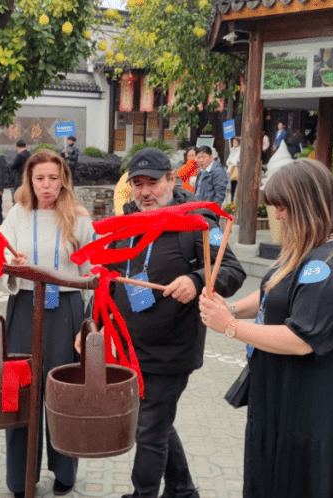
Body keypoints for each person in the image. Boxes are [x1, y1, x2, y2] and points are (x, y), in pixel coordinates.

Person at [198, 158, 333, 497]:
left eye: (282, 207)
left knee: (311, 481)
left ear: (308, 205)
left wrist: (231, 326)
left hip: (320, 401)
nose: (277, 215)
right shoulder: (307, 248)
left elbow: (300, 338)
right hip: (284, 391)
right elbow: (271, 293)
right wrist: (230, 307)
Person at [107, 147, 246, 498]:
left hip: (172, 350)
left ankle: (144, 494)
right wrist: (92, 325)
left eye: (152, 182)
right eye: (137, 184)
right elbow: (108, 276)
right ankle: (183, 489)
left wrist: (197, 279)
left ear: (171, 179)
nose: (144, 192)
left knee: (149, 431)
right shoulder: (127, 220)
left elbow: (231, 269)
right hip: (130, 349)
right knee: (156, 422)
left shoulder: (198, 220)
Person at [0, 150, 94, 498]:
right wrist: (13, 262)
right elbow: (0, 256)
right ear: (30, 180)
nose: (47, 185)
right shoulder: (17, 215)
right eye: (40, 178)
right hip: (24, 306)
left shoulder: (79, 217)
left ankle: (65, 470)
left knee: (63, 390)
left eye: (53, 178)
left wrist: (89, 322)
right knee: (18, 390)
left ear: (63, 179)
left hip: (65, 309)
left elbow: (93, 271)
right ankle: (19, 476)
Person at [226, 137, 241, 201]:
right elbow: (227, 162)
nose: (233, 144)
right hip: (231, 169)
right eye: (233, 142)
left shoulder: (240, 150)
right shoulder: (232, 150)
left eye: (235, 142)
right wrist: (231, 161)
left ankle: (236, 199)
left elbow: (236, 161)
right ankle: (232, 198)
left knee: (236, 184)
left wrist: (231, 161)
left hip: (236, 169)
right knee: (232, 185)